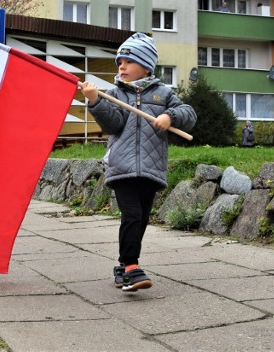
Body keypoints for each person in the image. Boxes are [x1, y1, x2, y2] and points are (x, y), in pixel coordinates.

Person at [81, 33, 197, 292]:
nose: (121, 66)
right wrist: (95, 101)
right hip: (122, 167)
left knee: (141, 218)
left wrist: (170, 115)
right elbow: (114, 125)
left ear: (146, 65)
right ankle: (132, 266)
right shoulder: (114, 93)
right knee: (131, 215)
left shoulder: (163, 94)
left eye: (127, 61)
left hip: (151, 167)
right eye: (119, 62)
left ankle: (123, 266)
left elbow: (189, 114)